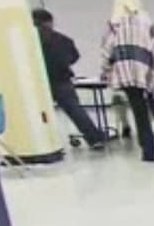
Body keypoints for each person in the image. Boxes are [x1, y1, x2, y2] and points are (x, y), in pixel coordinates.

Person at [99, 0, 154, 162]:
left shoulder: (113, 25)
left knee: (139, 114)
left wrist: (106, 71)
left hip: (126, 74)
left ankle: (148, 153)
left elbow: (106, 51)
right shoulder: (148, 23)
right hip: (148, 72)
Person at [31, 9, 105, 150]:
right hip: (62, 80)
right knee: (76, 111)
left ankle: (42, 144)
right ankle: (95, 139)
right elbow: (74, 57)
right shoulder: (63, 39)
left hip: (38, 82)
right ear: (49, 21)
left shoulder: (29, 40)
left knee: (37, 114)